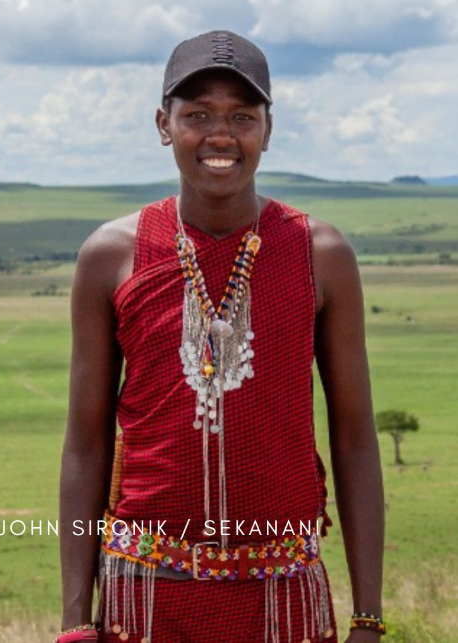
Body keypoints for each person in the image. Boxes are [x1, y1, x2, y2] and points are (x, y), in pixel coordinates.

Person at [58, 30, 385, 643]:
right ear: (164, 124)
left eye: (242, 115)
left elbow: (356, 441)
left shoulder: (321, 254)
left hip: (283, 596)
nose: (220, 135)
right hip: (146, 598)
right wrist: (76, 621)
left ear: (267, 128)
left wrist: (367, 617)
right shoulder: (111, 256)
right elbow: (84, 445)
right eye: (197, 114)